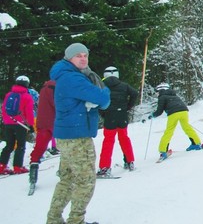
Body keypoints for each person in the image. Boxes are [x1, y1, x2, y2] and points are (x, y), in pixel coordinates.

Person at [46, 42, 110, 224]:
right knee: (85, 180)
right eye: (78, 56)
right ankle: (76, 220)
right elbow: (103, 99)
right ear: (69, 58)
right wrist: (105, 90)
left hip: (66, 135)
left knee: (67, 179)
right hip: (77, 137)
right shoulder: (73, 78)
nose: (83, 59)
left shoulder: (65, 75)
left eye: (85, 55)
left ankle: (53, 219)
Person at [97, 66, 138, 176]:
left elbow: (98, 100)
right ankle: (130, 162)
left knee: (108, 141)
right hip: (122, 115)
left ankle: (105, 168)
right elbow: (134, 93)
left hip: (110, 116)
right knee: (124, 138)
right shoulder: (124, 85)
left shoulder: (102, 86)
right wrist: (128, 107)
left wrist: (103, 112)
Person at [152, 82, 203, 161]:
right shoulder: (174, 95)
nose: (157, 94)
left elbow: (159, 111)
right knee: (187, 127)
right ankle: (196, 143)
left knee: (169, 131)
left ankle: (163, 151)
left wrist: (153, 115)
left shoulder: (162, 97)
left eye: (157, 92)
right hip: (184, 111)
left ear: (161, 90)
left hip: (173, 113)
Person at [1, 75, 36, 175]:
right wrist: (31, 125)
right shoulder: (27, 96)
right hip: (20, 124)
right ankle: (17, 167)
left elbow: (3, 109)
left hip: (8, 123)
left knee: (9, 145)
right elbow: (29, 112)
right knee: (20, 145)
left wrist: (6, 120)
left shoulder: (9, 94)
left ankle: (1, 166)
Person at [28, 79, 56, 186]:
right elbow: (58, 105)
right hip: (55, 121)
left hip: (42, 121)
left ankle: (33, 170)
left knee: (39, 147)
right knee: (67, 146)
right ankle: (66, 171)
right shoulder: (57, 87)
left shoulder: (44, 87)